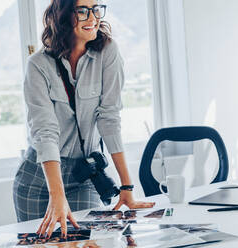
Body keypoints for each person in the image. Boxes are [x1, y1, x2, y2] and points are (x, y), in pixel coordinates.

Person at [13, 0, 155, 240]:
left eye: (96, 9)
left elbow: (109, 119)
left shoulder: (108, 52)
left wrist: (127, 188)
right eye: (82, 11)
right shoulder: (37, 65)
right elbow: (45, 131)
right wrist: (56, 195)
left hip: (84, 174)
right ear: (63, 15)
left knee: (88, 243)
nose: (93, 17)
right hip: (39, 179)